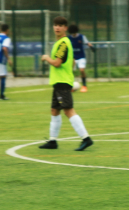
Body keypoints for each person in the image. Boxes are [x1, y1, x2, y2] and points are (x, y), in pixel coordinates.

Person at [39, 16, 94, 152]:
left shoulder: (63, 43)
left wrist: (47, 58)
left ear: (65, 28)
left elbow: (57, 63)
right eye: (55, 25)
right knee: (54, 110)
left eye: (60, 25)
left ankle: (86, 138)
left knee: (68, 110)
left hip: (62, 82)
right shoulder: (61, 43)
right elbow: (73, 61)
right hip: (59, 82)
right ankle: (53, 141)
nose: (57, 27)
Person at [68, 24, 95, 92]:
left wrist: (91, 47)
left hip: (81, 56)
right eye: (72, 33)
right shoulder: (69, 38)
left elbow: (87, 43)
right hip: (73, 57)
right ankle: (70, 86)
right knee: (70, 72)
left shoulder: (81, 36)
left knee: (82, 70)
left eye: (74, 33)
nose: (73, 34)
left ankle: (84, 86)